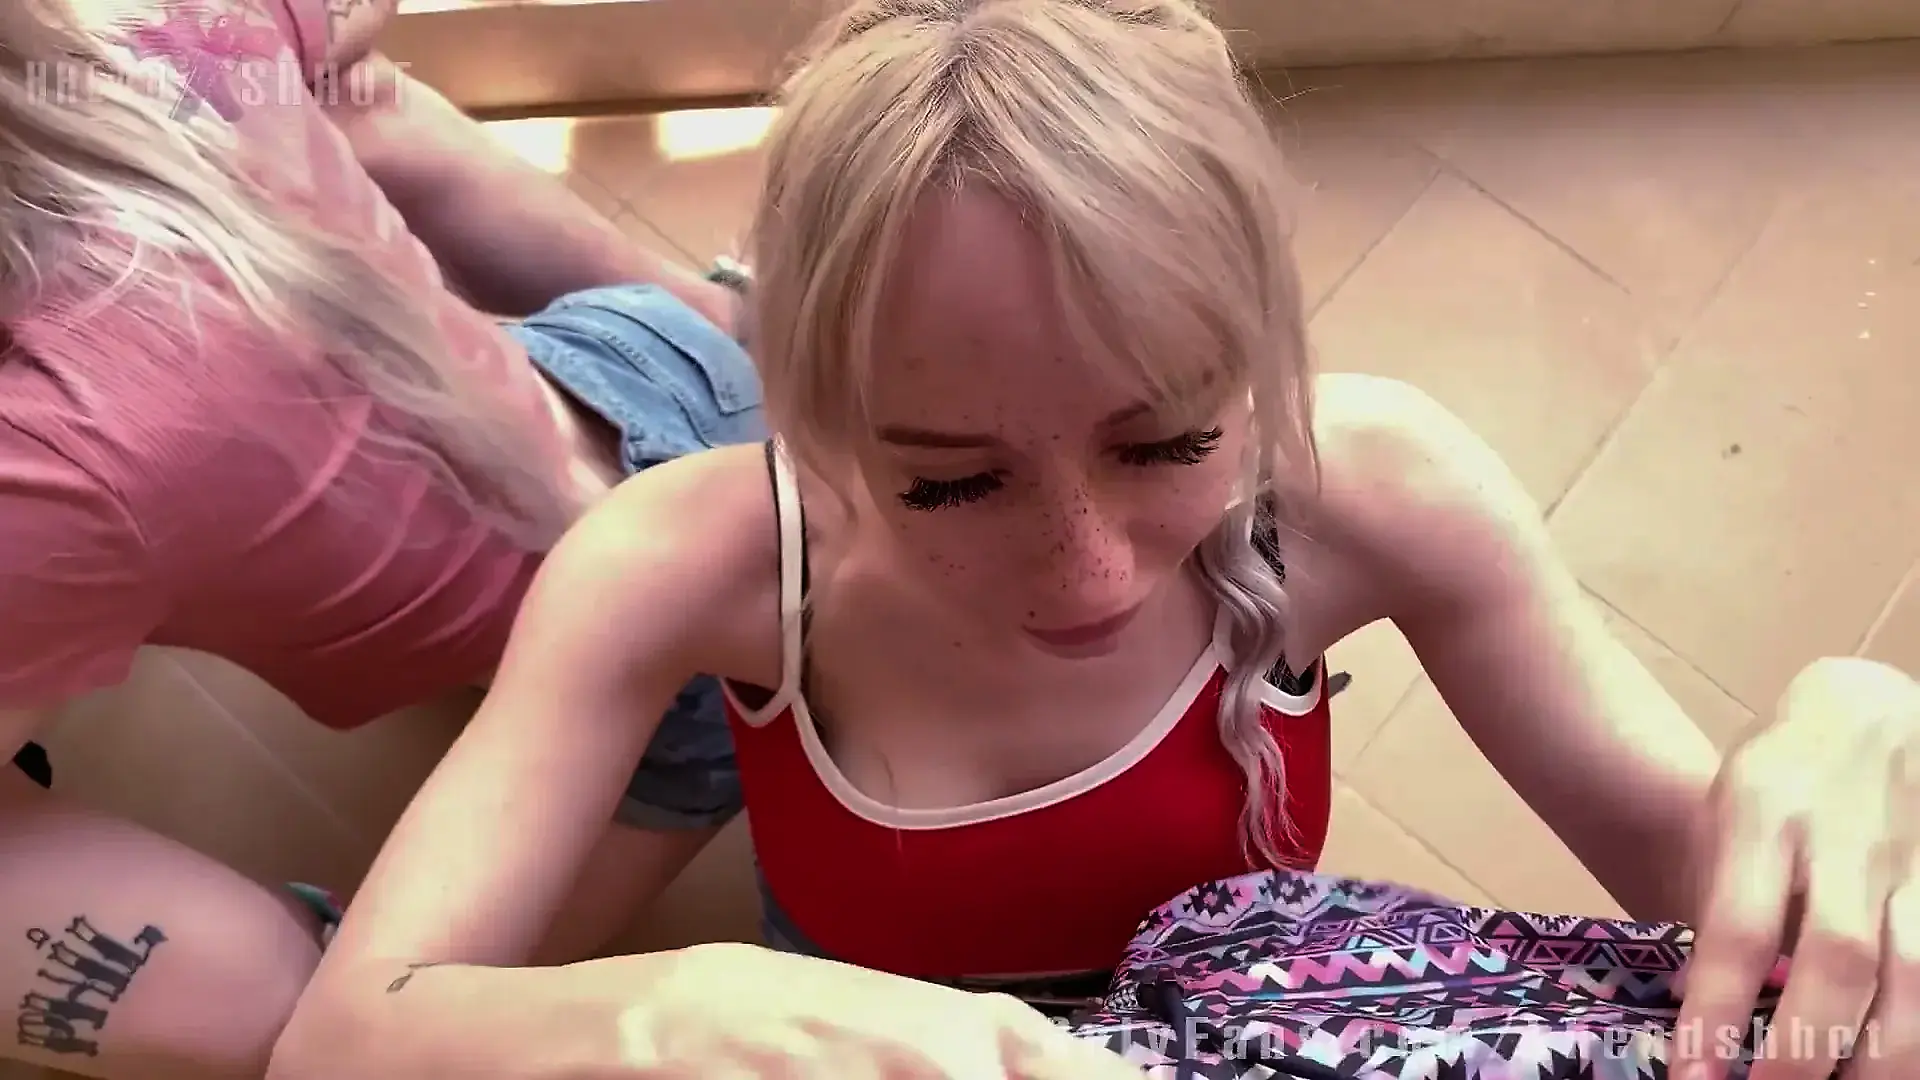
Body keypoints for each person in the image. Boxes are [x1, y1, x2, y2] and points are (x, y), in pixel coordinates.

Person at [269, 1, 1920, 1078]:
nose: (1093, 572)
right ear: (816, 425)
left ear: (1261, 363)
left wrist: (1844, 745)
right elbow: (343, 1038)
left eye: (1171, 441)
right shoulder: (689, 561)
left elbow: (1724, 921)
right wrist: (659, 1005)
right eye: (947, 482)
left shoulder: (1372, 484)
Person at [0, 0, 767, 1075]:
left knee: (376, 1033)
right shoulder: (146, 25)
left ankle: (304, 978)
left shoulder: (47, 463)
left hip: (674, 673)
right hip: (651, 368)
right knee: (350, 99)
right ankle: (758, 341)